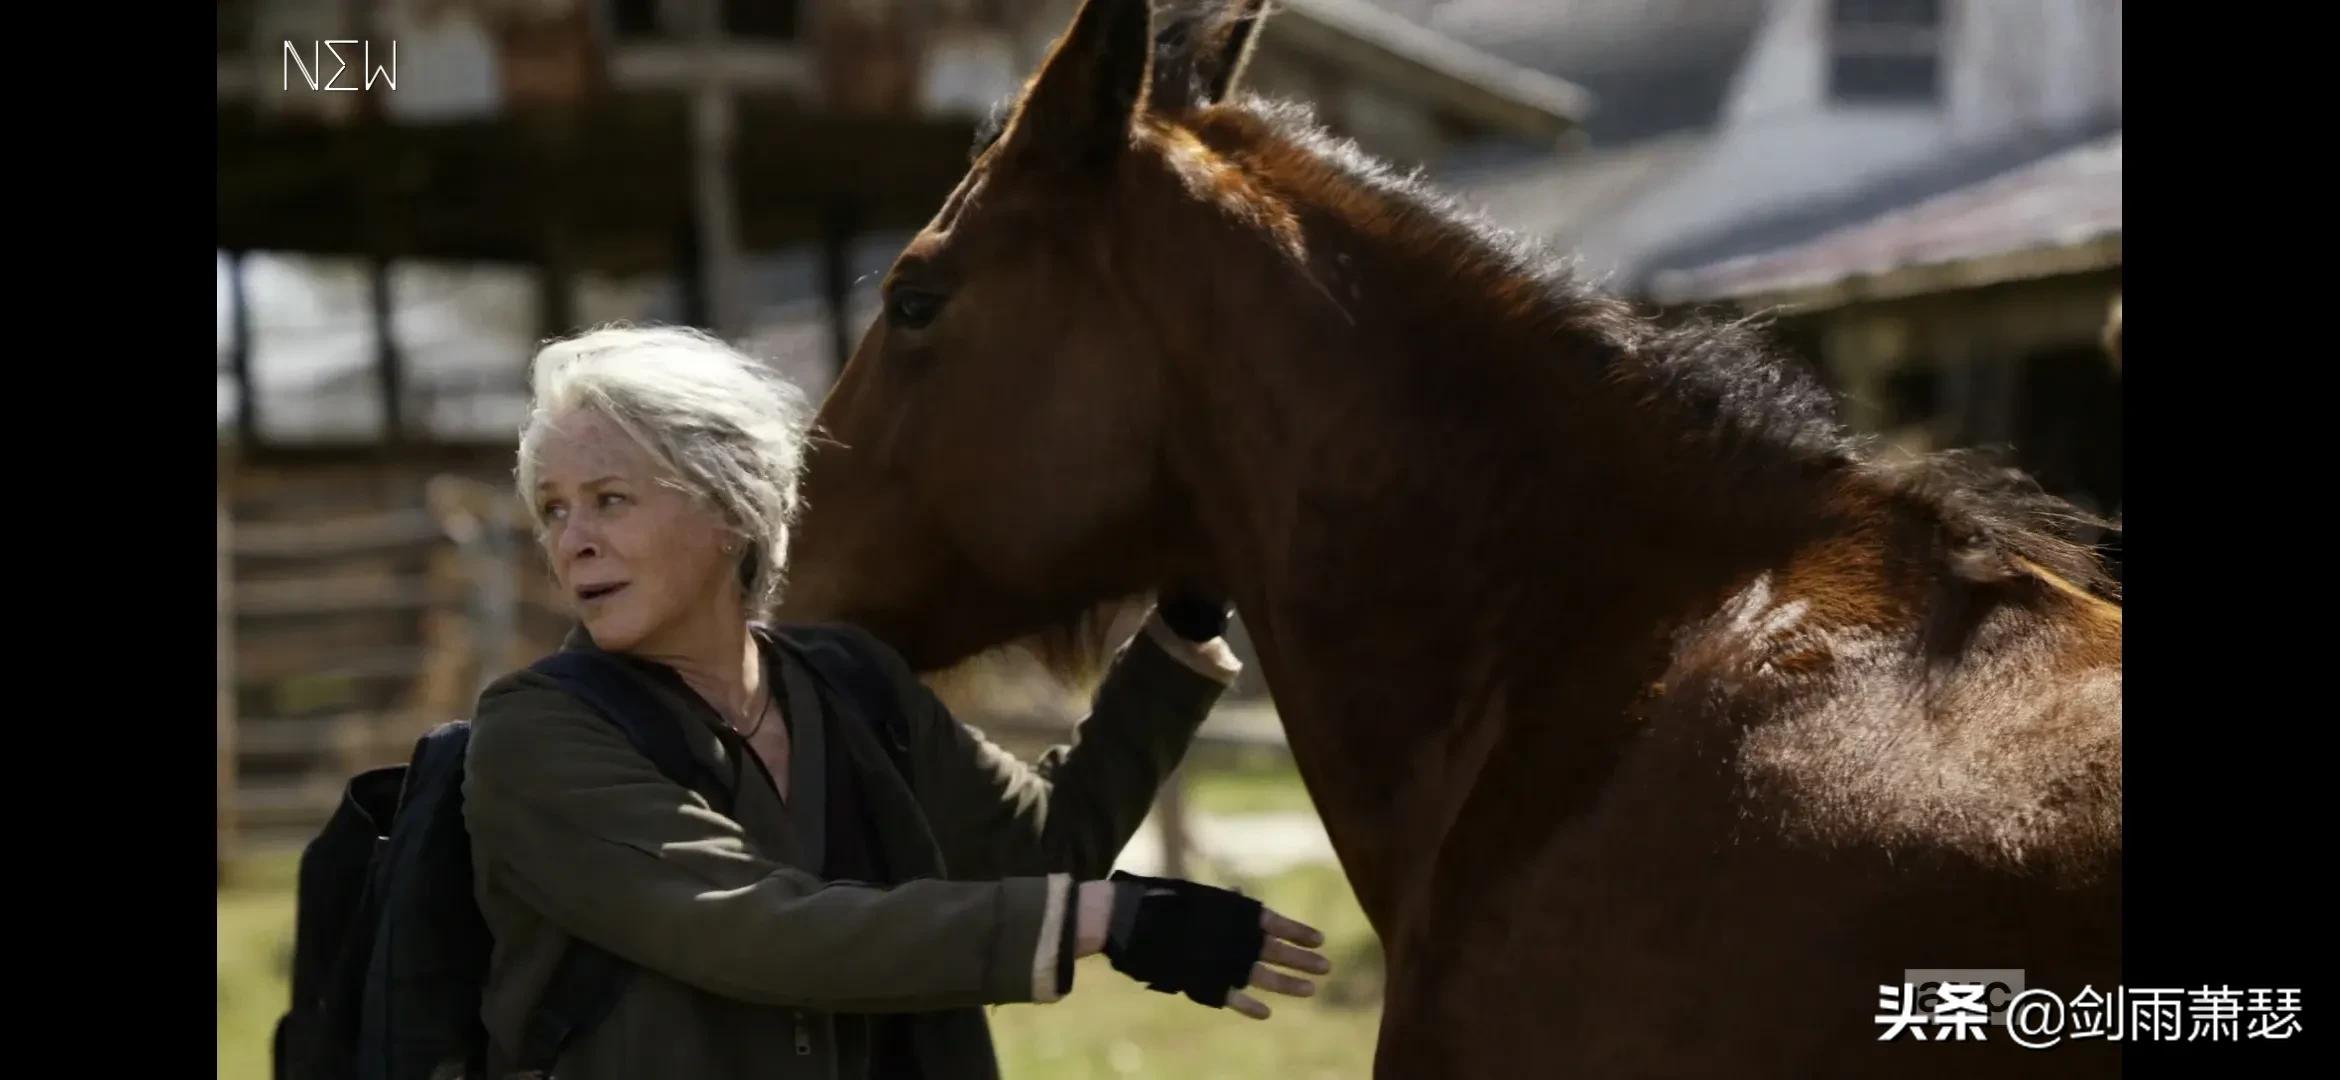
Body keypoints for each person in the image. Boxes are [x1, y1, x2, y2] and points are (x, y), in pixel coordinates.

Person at [462, 325, 1329, 1079]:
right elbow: (760, 930)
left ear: (730, 507)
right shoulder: (535, 735)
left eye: (610, 500)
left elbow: (1042, 847)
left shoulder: (847, 684)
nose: (572, 542)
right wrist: (1106, 921)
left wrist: (1181, 627)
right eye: (553, 510)